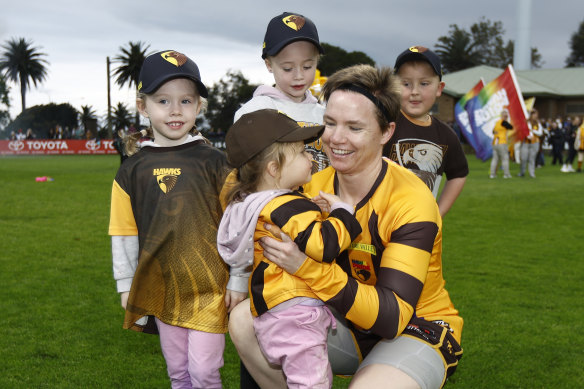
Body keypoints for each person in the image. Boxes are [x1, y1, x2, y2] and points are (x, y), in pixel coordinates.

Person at [229, 65, 463, 389]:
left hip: (413, 326)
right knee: (245, 320)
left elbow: (392, 316)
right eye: (329, 123)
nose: (335, 138)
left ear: (385, 132)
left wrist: (305, 266)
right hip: (345, 323)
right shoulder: (310, 187)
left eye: (354, 127)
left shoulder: (412, 200)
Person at [108, 50, 241, 389]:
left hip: (210, 287)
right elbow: (124, 232)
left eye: (186, 100)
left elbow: (238, 226)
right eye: (163, 100)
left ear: (199, 106)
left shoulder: (217, 162)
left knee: (204, 373)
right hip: (163, 286)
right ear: (143, 106)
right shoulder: (131, 170)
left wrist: (239, 276)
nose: (175, 110)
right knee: (178, 372)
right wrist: (126, 283)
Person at [218, 109, 362, 388]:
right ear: (274, 169)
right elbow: (324, 246)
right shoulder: (289, 206)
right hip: (297, 314)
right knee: (311, 383)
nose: (310, 158)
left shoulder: (254, 204)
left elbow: (298, 232)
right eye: (301, 153)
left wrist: (313, 211)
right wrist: (344, 213)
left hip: (273, 312)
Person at [234, 11, 328, 173]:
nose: (298, 76)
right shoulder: (254, 112)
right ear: (269, 65)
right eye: (287, 68)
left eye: (307, 67)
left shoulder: (326, 114)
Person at [383, 46, 468, 217]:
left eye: (424, 83)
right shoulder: (382, 124)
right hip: (377, 225)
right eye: (406, 84)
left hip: (419, 229)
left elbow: (458, 175)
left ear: (439, 88)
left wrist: (438, 213)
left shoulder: (446, 135)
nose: (415, 92)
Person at [490, 109, 515, 178]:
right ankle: (506, 174)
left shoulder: (497, 122)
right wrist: (507, 120)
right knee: (505, 158)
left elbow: (493, 131)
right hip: (502, 142)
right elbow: (511, 127)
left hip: (495, 142)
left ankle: (492, 174)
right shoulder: (504, 122)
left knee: (495, 159)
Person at [519, 109, 543, 178]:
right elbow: (522, 130)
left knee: (532, 158)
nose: (535, 116)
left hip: (535, 142)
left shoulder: (538, 123)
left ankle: (531, 173)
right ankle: (522, 172)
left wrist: (533, 131)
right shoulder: (526, 122)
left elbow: (540, 133)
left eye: (536, 114)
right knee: (523, 158)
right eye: (534, 114)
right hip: (526, 142)